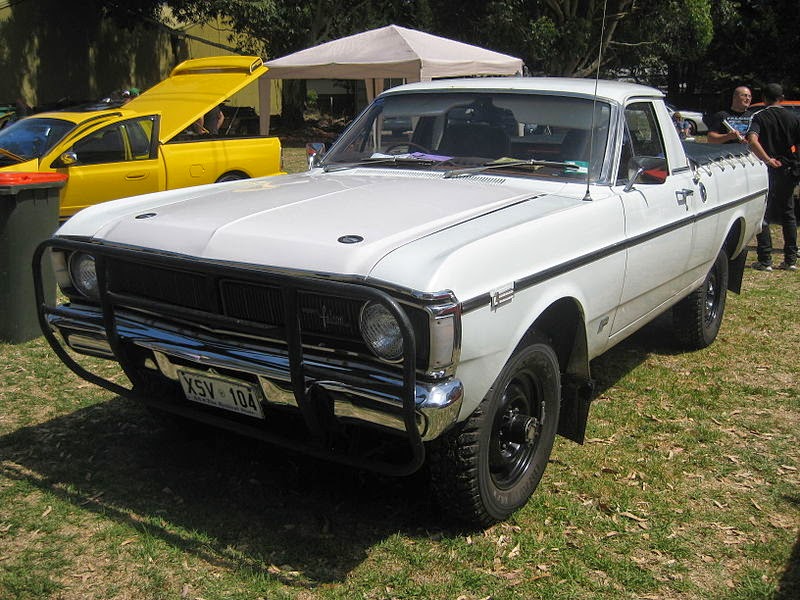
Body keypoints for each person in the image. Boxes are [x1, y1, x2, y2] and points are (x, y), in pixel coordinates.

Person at [746, 83, 800, 271]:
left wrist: (767, 159)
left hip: (767, 169)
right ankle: (790, 259)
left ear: (764, 98)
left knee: (764, 212)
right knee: (788, 213)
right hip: (788, 168)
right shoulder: (793, 118)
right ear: (782, 98)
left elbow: (752, 140)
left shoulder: (759, 116)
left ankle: (765, 259)